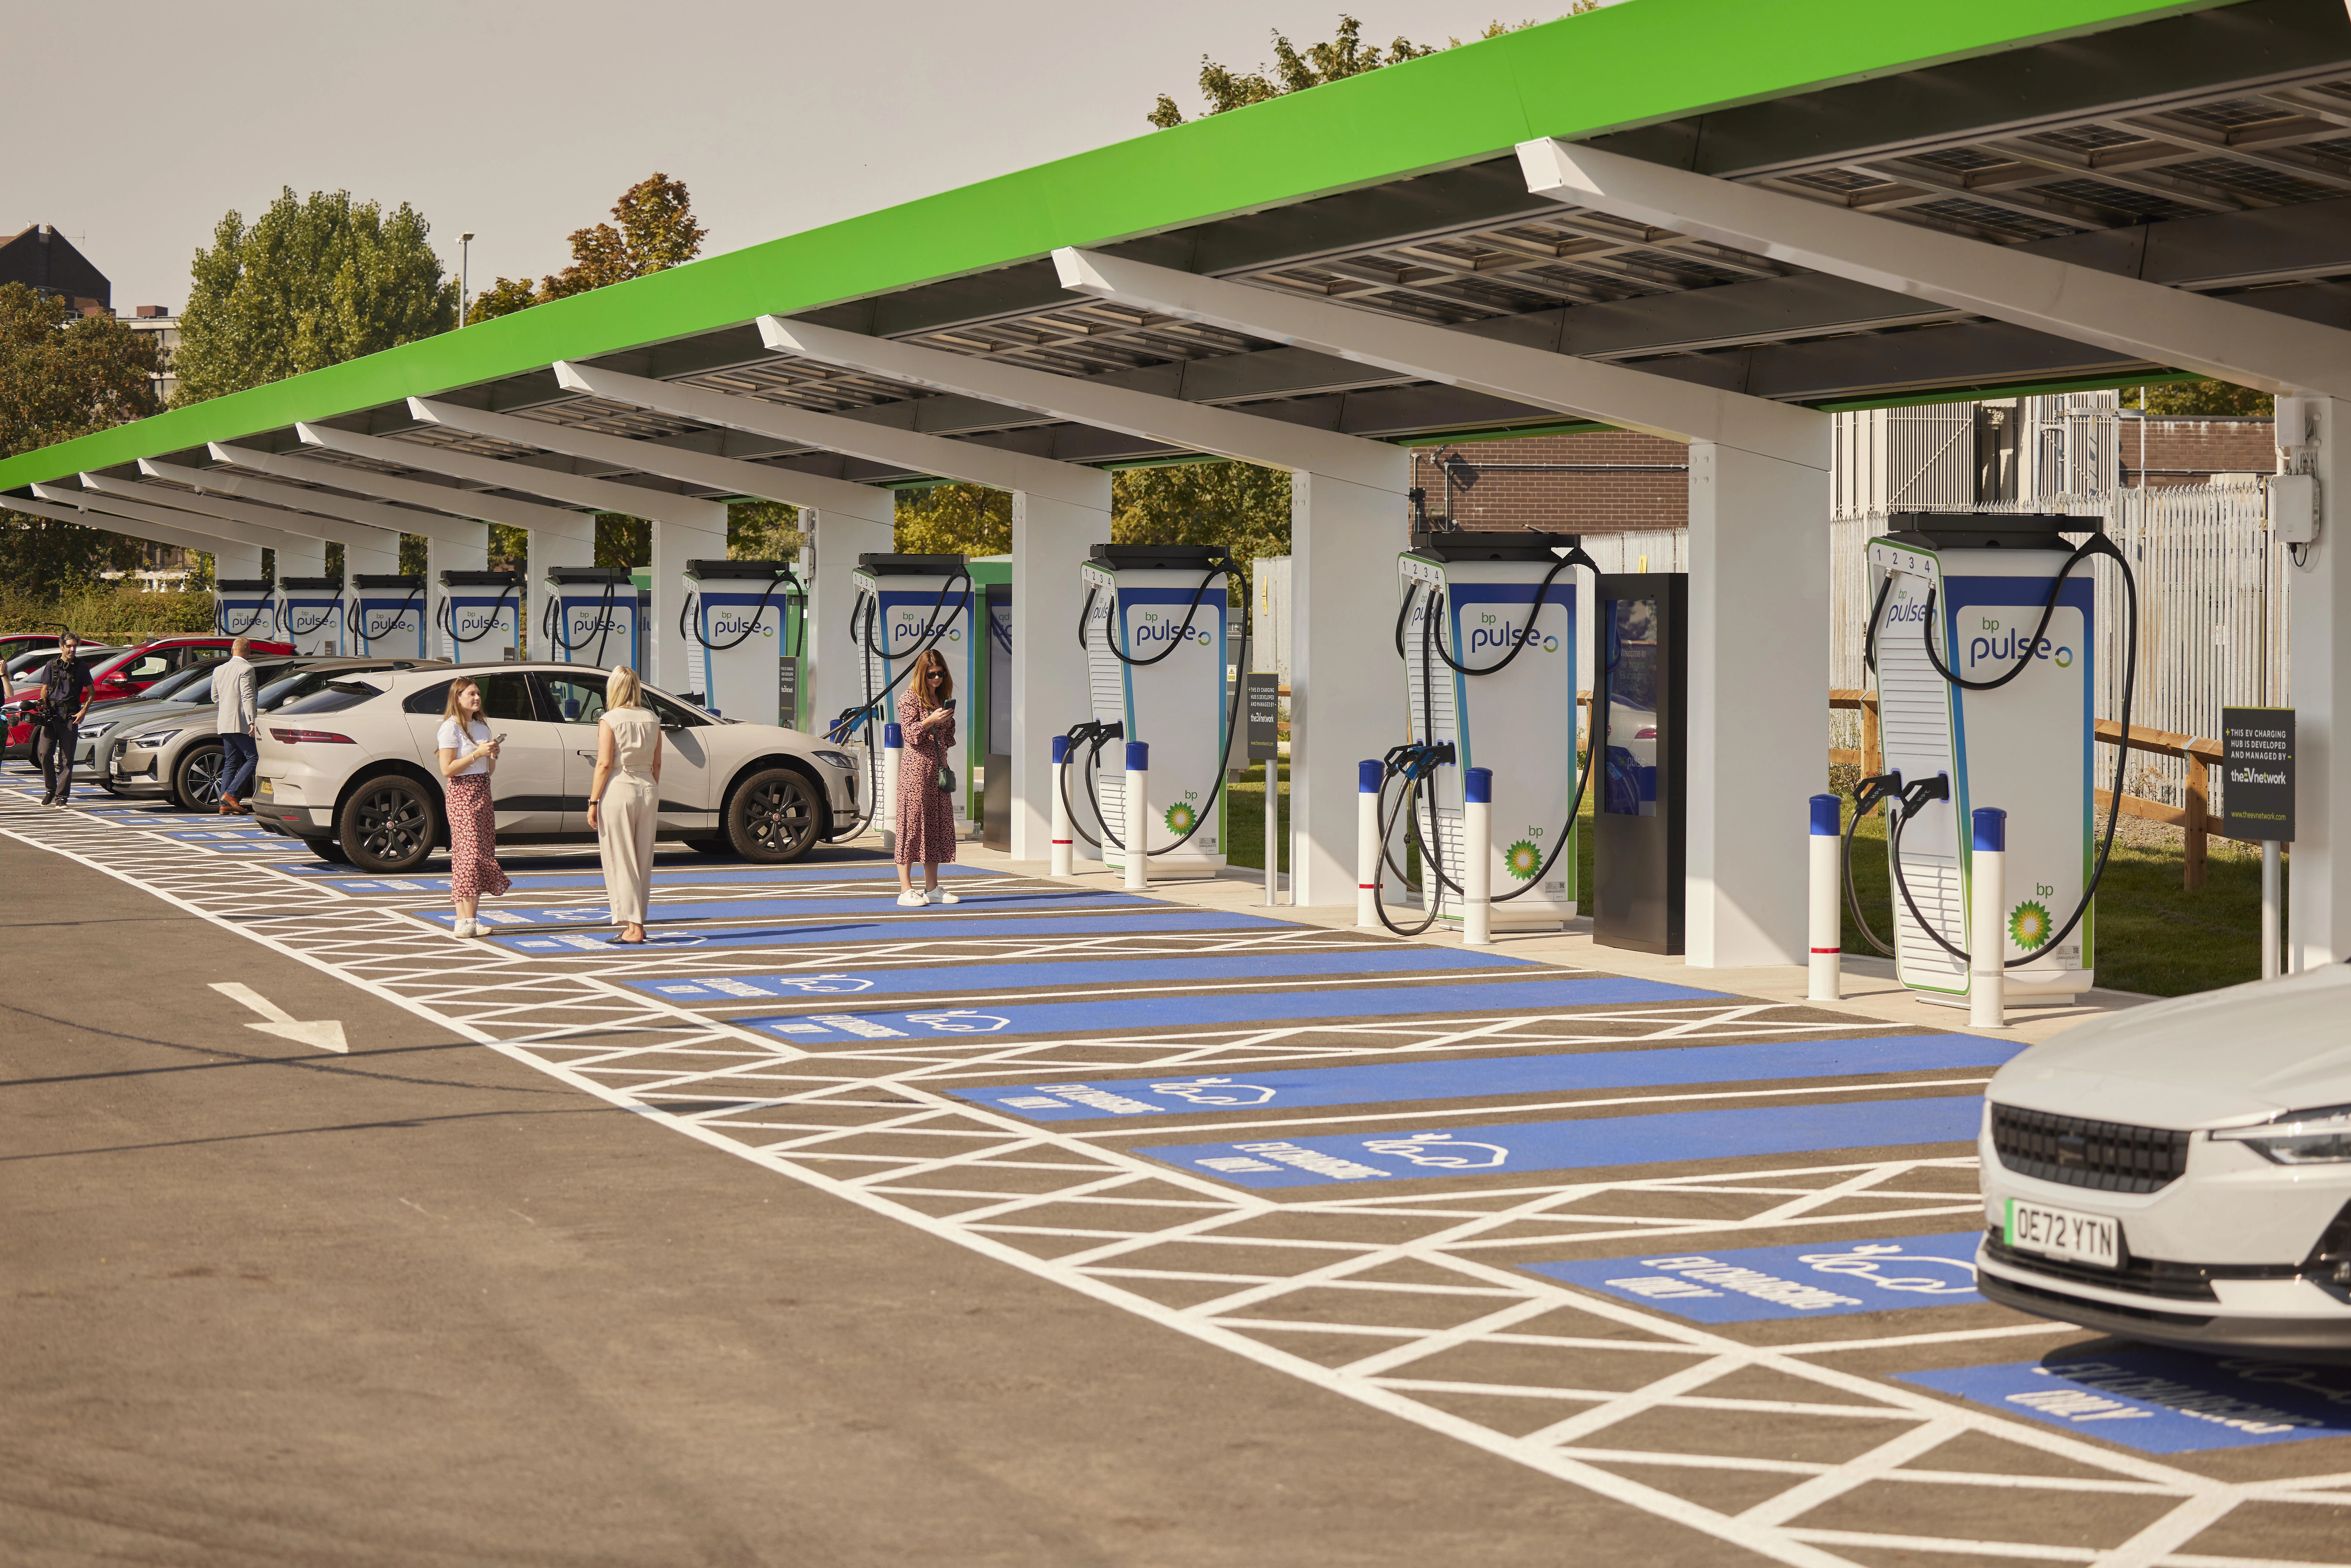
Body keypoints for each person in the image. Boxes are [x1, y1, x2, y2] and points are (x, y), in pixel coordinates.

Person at [586, 666, 661, 945]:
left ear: (613, 689)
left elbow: (605, 764)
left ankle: (633, 927)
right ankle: (638, 921)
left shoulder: (610, 719)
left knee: (621, 858)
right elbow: (657, 763)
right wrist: (650, 786)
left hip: (620, 787)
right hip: (648, 788)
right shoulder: (652, 718)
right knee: (643, 859)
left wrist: (593, 801)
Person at [435, 678, 509, 938]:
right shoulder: (450, 728)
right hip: (461, 794)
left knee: (481, 853)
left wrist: (492, 754)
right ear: (458, 698)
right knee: (467, 854)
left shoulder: (481, 728)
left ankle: (471, 919)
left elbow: (488, 770)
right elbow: (447, 770)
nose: (477, 698)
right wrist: (476, 754)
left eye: (478, 694)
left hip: (482, 790)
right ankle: (461, 920)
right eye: (472, 694)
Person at [893, 646, 962, 907]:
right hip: (916, 771)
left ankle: (932, 888)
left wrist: (945, 719)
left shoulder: (940, 699)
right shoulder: (909, 698)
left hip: (938, 769)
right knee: (911, 826)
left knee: (934, 826)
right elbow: (909, 734)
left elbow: (948, 739)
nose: (936, 679)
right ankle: (905, 889)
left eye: (941, 674)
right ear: (921, 675)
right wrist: (930, 720)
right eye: (931, 674)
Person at [32, 635, 95, 807]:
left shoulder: (81, 667)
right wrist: (43, 703)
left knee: (67, 759)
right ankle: (50, 791)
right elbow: (44, 690)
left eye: (75, 646)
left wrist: (83, 712)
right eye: (69, 646)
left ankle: (62, 797)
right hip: (52, 715)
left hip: (71, 716)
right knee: (45, 754)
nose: (72, 650)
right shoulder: (51, 665)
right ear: (62, 646)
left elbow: (92, 692)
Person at [214, 635, 259, 814]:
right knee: (254, 758)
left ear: (232, 651)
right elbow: (247, 696)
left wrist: (225, 709)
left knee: (231, 762)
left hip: (223, 721)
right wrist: (252, 721)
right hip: (239, 722)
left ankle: (224, 804)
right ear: (249, 652)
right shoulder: (247, 668)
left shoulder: (219, 670)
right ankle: (231, 795)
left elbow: (215, 697)